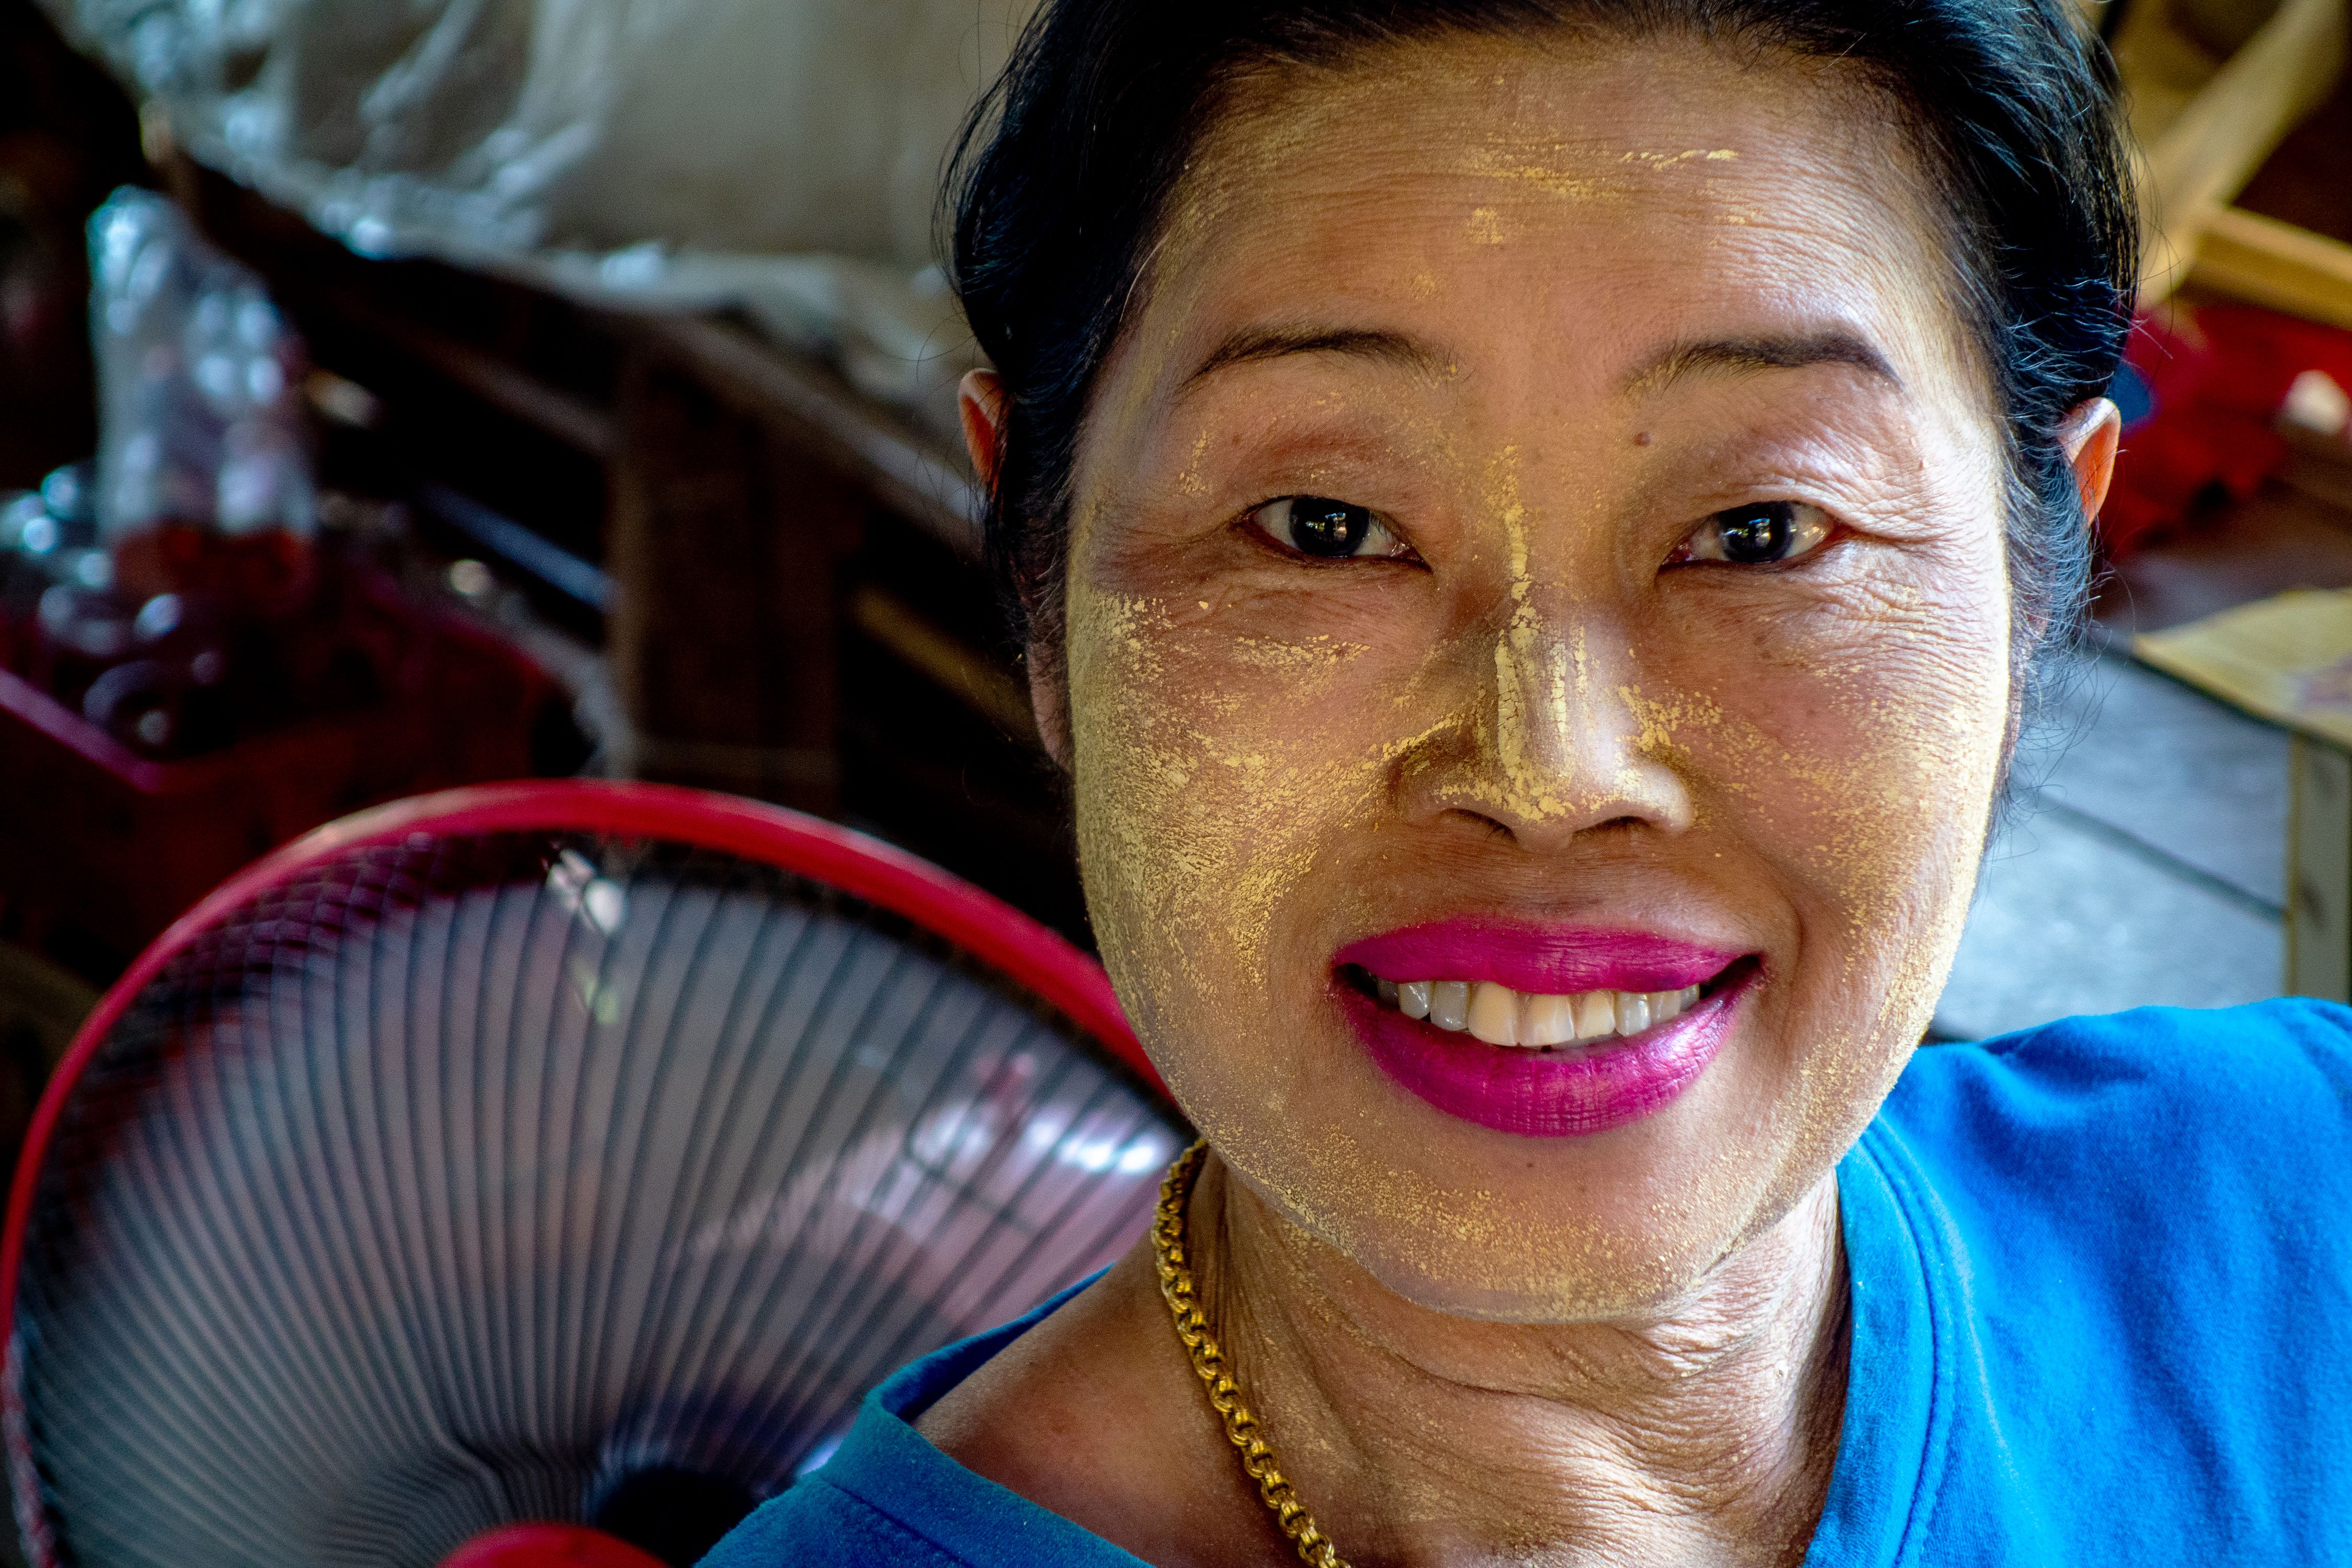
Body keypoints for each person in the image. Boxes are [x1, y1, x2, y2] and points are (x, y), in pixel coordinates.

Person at [704, 3, 2352, 1562]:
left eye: (1761, 531)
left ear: (2028, 588)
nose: (1549, 769)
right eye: (1324, 527)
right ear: (1041, 583)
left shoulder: (2310, 1213)